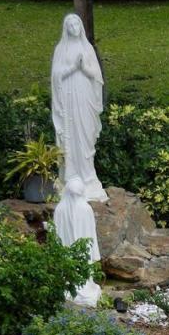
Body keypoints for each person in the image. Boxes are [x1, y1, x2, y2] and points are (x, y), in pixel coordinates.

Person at [50, 13, 107, 202]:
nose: (74, 26)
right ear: (65, 28)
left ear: (80, 26)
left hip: (85, 97)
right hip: (68, 99)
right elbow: (56, 75)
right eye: (70, 23)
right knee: (71, 135)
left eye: (76, 23)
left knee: (86, 136)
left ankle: (88, 177)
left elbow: (97, 76)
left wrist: (83, 69)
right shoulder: (61, 49)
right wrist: (74, 67)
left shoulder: (87, 48)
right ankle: (71, 177)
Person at [53, 176, 101, 307]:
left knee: (68, 271)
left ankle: (69, 288)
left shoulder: (59, 209)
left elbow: (55, 234)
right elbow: (92, 233)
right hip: (83, 251)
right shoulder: (86, 208)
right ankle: (83, 287)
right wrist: (94, 252)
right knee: (83, 273)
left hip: (65, 250)